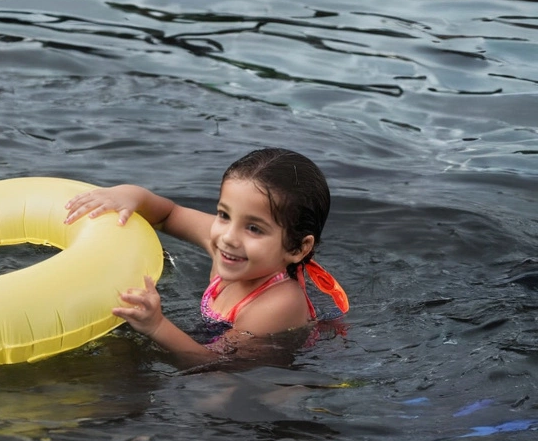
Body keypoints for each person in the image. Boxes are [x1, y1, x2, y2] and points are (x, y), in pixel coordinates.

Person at [64, 147, 348, 365]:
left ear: (298, 248)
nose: (227, 236)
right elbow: (168, 214)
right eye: (224, 215)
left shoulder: (278, 303)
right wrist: (129, 195)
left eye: (254, 228)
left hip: (264, 375)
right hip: (212, 343)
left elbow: (217, 365)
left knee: (216, 398)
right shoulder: (229, 249)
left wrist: (157, 325)